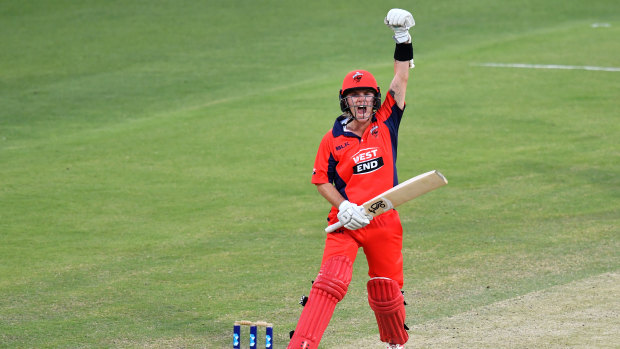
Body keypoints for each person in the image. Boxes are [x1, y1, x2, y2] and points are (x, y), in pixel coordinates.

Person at [287, 8, 416, 349]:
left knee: (387, 291)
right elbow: (321, 180)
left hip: (383, 219)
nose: (362, 101)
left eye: (368, 95)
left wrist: (402, 39)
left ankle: (395, 343)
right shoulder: (332, 139)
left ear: (375, 100)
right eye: (355, 96)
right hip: (345, 221)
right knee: (331, 283)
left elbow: (401, 80)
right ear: (346, 101)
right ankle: (301, 345)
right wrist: (344, 207)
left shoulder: (386, 120)